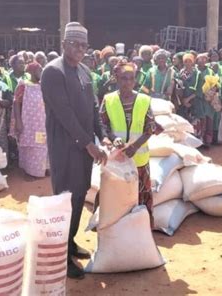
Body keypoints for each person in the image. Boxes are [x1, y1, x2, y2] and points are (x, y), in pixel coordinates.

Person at [41, 22, 107, 279]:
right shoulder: (52, 72)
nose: (80, 49)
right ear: (64, 44)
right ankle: (60, 256)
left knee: (80, 195)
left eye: (84, 45)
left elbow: (92, 109)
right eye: (75, 44)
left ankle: (69, 242)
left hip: (83, 148)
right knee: (65, 199)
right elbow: (65, 115)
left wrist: (102, 137)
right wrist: (89, 144)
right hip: (64, 147)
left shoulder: (84, 70)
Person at [100, 61, 161, 227]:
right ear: (117, 79)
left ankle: (143, 229)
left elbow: (151, 127)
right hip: (117, 159)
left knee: (142, 194)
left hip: (139, 159)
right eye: (123, 78)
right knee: (116, 195)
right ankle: (117, 229)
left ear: (135, 80)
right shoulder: (109, 99)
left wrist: (134, 146)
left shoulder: (144, 100)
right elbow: (102, 124)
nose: (127, 82)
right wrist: (113, 139)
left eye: (131, 79)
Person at [10, 62, 48, 178]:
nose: (41, 72)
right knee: (31, 146)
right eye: (39, 70)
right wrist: (18, 122)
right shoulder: (23, 86)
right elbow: (16, 103)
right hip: (28, 123)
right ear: (31, 72)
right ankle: (31, 171)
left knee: (43, 145)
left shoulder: (45, 85)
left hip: (42, 123)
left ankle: (44, 168)